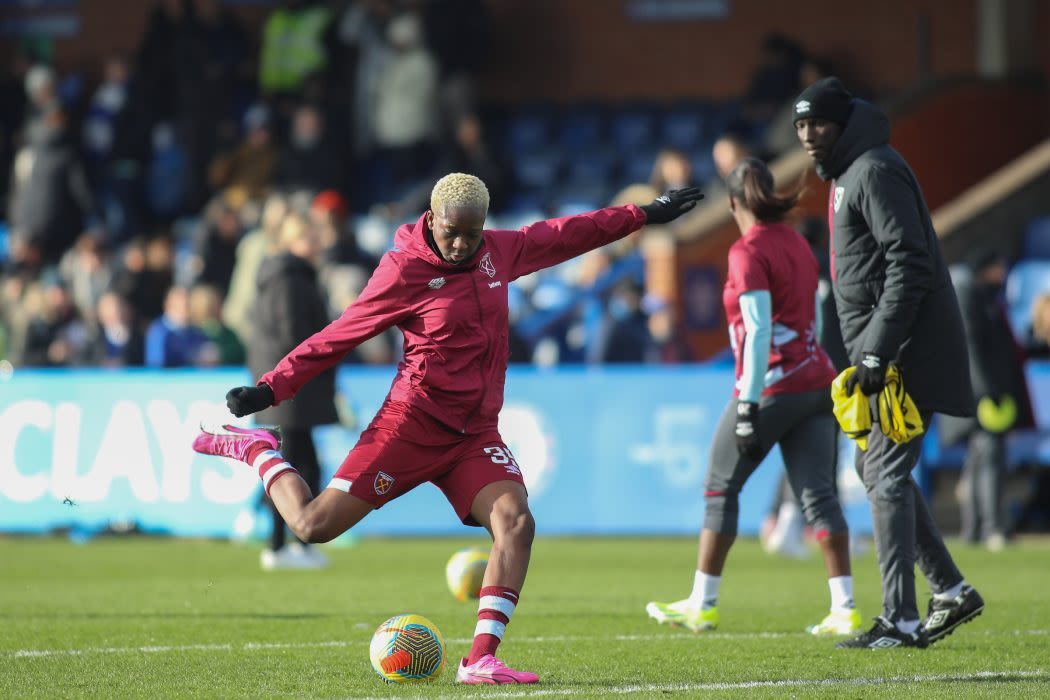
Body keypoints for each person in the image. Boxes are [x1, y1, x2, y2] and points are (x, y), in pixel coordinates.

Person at [192, 173, 703, 683]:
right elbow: (339, 336)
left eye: (472, 233)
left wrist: (645, 213)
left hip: (475, 435)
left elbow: (571, 232)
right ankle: (259, 450)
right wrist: (270, 390)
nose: (461, 244)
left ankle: (480, 658)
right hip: (410, 426)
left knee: (516, 523)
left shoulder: (499, 252)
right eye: (451, 232)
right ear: (431, 218)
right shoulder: (402, 270)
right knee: (311, 526)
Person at [794, 77, 983, 649]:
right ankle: (949, 589)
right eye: (801, 126)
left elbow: (910, 262)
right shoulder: (847, 174)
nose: (808, 136)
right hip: (880, 354)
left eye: (818, 125)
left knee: (886, 474)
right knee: (877, 472)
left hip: (903, 354)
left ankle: (900, 618)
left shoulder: (872, 169)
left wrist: (877, 346)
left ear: (843, 124)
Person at [646, 158, 860, 638]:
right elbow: (818, 318)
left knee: (720, 486)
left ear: (732, 203)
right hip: (815, 379)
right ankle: (844, 606)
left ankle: (703, 602)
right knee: (820, 497)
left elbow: (759, 328)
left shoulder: (746, 251)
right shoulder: (800, 244)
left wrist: (747, 404)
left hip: (772, 385)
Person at [247, 214, 337, 570]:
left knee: (291, 465)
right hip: (290, 388)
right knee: (298, 468)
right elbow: (294, 336)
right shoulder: (291, 279)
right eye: (308, 237)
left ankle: (288, 543)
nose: (315, 245)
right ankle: (287, 545)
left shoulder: (283, 276)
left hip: (284, 388)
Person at [943, 252, 1033, 550]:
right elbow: (971, 347)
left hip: (987, 396)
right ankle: (992, 526)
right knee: (989, 458)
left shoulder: (986, 298)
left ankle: (974, 528)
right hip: (982, 398)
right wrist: (986, 391)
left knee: (979, 461)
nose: (1002, 275)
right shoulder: (970, 296)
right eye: (998, 268)